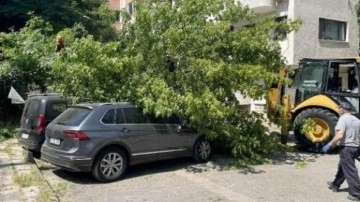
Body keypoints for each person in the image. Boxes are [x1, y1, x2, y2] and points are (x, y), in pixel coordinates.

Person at [322, 102, 360, 201]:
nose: (338, 110)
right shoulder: (357, 120)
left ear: (342, 109)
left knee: (350, 170)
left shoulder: (343, 119)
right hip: (356, 147)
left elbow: (340, 135)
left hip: (346, 147)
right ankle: (335, 184)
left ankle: (356, 193)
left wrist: (330, 144)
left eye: (339, 109)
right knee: (343, 166)